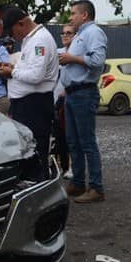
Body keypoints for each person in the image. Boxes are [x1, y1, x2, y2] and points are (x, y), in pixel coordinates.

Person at [0, 7, 59, 178]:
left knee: (35, 151)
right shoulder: (31, 40)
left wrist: (11, 72)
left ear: (21, 24)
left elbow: (36, 76)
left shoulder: (39, 41)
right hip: (27, 105)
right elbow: (31, 69)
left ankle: (40, 191)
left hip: (34, 106)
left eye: (12, 32)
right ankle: (33, 185)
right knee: (26, 151)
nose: (12, 37)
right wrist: (13, 67)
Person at [58, 0, 107, 204]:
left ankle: (96, 188)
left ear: (84, 15)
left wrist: (72, 59)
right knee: (73, 142)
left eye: (73, 13)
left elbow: (97, 61)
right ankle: (78, 183)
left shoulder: (93, 32)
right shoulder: (80, 35)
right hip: (71, 94)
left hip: (84, 93)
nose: (70, 17)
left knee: (86, 142)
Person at [54, 25, 76, 178]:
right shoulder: (57, 53)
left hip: (71, 99)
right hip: (55, 100)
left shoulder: (77, 55)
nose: (65, 35)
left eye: (69, 33)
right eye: (63, 33)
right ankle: (63, 167)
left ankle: (74, 168)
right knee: (59, 136)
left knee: (73, 136)